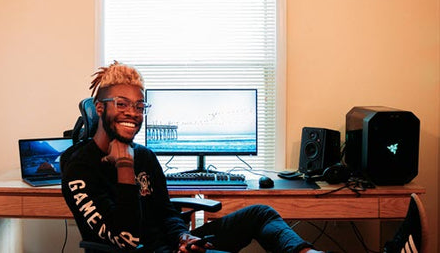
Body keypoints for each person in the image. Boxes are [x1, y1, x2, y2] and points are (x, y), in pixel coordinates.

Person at [61, 61, 325, 253]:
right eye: (122, 104)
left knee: (261, 213)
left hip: (173, 246)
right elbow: (126, 239)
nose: (133, 113)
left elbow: (165, 212)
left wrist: (183, 237)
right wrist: (124, 168)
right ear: (99, 107)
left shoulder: (144, 156)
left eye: (139, 106)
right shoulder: (79, 169)